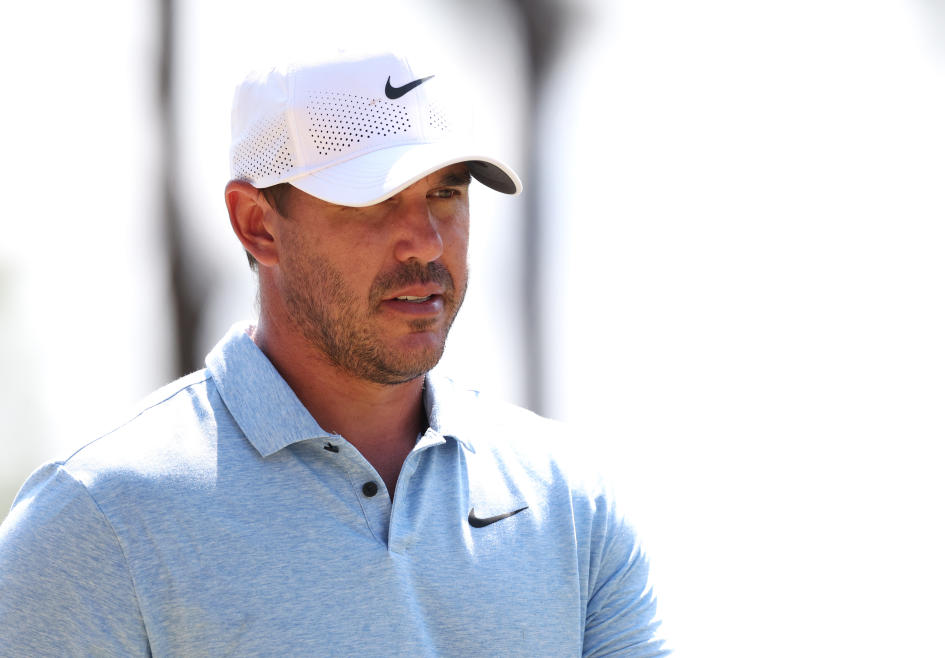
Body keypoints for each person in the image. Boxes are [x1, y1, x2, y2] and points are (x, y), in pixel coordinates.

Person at [0, 51, 668, 656]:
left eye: (447, 192)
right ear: (257, 224)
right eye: (375, 199)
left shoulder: (569, 500)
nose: (426, 243)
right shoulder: (97, 522)